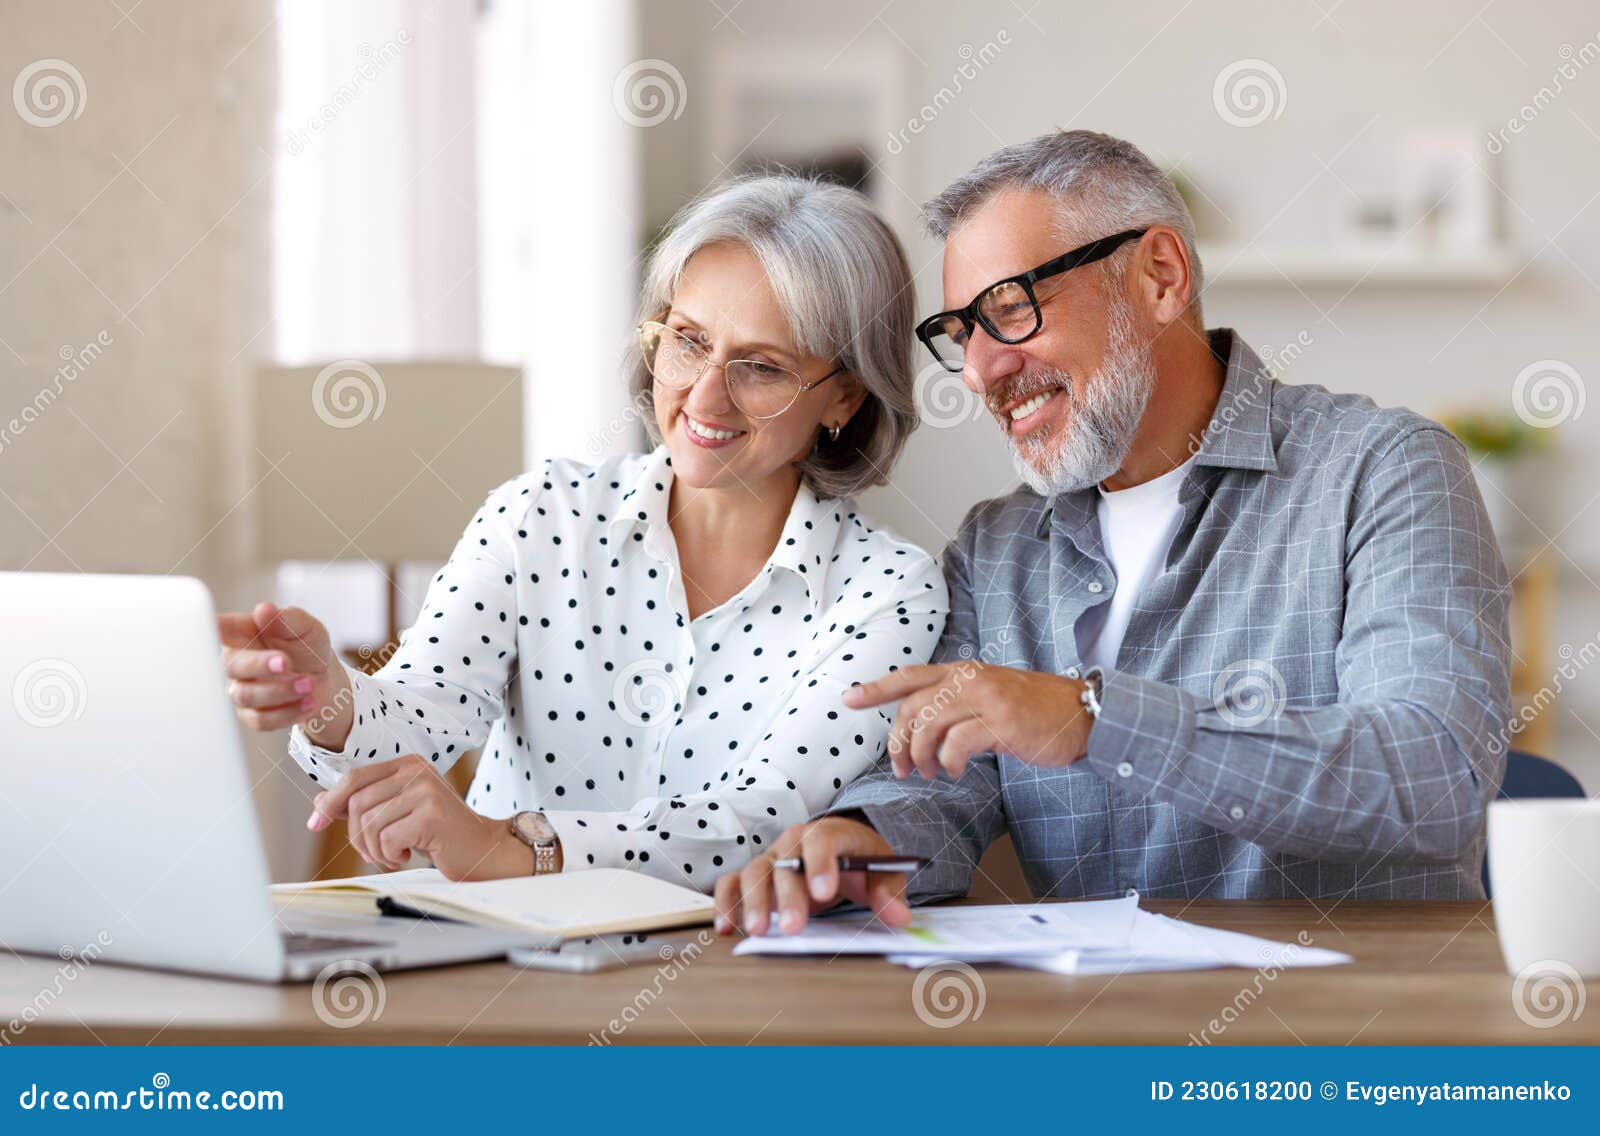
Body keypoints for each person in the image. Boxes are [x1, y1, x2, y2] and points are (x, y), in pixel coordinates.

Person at [714, 130, 1511, 937]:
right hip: (1094, 1033)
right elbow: (939, 783)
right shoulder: (997, 549)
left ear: (1160, 276)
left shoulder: (1386, 471)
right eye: (964, 334)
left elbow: (1432, 778)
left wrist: (1095, 719)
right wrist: (860, 841)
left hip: (1351, 1034)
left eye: (1011, 310)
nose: (985, 370)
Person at [219, 175, 947, 887]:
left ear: (844, 397)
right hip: (504, 978)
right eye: (687, 341)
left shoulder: (886, 591)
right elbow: (424, 712)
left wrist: (511, 846)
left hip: (726, 988)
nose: (703, 395)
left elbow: (757, 824)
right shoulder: (540, 516)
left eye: (760, 367)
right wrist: (328, 695)